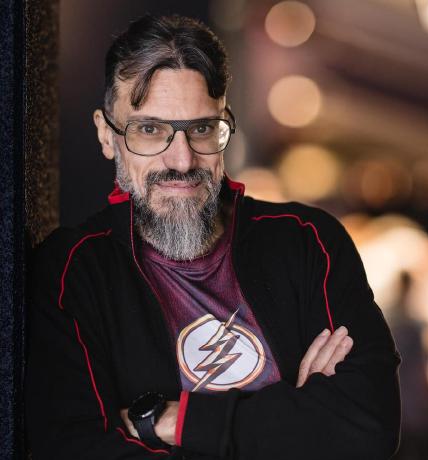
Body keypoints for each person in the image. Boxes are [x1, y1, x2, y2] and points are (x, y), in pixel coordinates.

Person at [25, 14, 401, 460]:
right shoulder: (73, 271)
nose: (182, 161)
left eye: (201, 129)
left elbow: (368, 427)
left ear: (225, 126)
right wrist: (296, 422)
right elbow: (71, 447)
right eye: (150, 130)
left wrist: (172, 422)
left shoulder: (307, 242)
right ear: (108, 136)